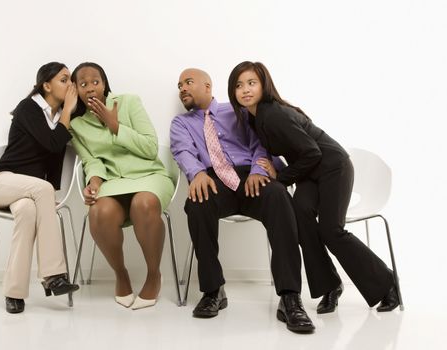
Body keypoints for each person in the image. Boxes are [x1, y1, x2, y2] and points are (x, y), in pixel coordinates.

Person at [228, 61, 400, 314]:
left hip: (332, 167)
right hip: (309, 173)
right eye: (239, 85)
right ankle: (330, 286)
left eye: (251, 83)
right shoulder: (255, 118)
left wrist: (281, 177)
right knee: (302, 220)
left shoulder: (273, 114)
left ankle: (387, 283)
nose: (245, 90)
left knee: (331, 231)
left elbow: (312, 152)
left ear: (264, 85)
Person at [170, 68, 315, 333]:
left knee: (279, 197)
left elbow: (262, 142)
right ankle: (213, 290)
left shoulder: (238, 110)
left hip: (250, 174)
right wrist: (198, 173)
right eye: (179, 85)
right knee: (197, 204)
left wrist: (259, 171)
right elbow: (182, 150)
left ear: (207, 86)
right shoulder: (181, 123)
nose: (182, 88)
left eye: (188, 82)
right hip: (213, 179)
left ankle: (290, 297)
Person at [69, 62, 175, 310]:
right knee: (99, 212)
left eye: (95, 81)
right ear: (76, 90)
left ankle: (153, 275)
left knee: (144, 202)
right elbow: (91, 161)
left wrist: (114, 124)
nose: (91, 88)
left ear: (104, 83)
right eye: (83, 84)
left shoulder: (129, 102)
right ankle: (121, 274)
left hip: (149, 175)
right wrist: (93, 182)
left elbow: (150, 148)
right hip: (113, 182)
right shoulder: (77, 125)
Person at [0, 62, 80, 314]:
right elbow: (51, 143)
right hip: (1, 182)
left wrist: (69, 111)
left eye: (71, 80)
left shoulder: (62, 116)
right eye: (64, 79)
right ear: (46, 85)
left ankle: (13, 294)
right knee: (44, 190)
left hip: (27, 194)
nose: (70, 85)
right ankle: (53, 275)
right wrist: (68, 110)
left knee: (27, 212)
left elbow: (57, 152)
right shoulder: (29, 107)